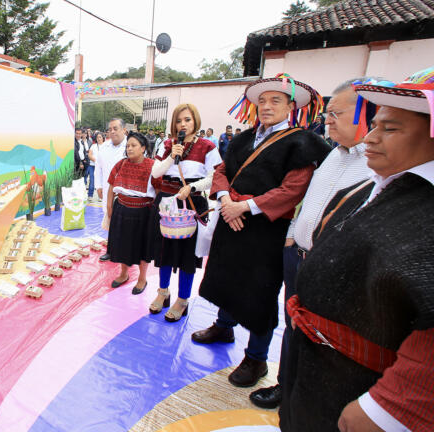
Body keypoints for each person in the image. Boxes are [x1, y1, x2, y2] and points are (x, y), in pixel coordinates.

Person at [279, 67, 434, 432]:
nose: (373, 137)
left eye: (390, 129)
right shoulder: (375, 186)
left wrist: (387, 407)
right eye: (375, 124)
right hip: (320, 370)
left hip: (359, 386)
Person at [193, 74, 331, 389]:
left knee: (260, 291)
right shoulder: (242, 139)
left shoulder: (302, 142)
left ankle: (256, 357)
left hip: (266, 231)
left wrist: (245, 207)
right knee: (226, 277)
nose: (266, 107)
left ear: (291, 106)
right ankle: (223, 326)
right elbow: (221, 172)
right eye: (263, 101)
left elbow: (293, 189)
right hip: (231, 221)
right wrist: (226, 200)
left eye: (276, 101)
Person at [249, 78, 374, 409]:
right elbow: (308, 198)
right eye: (328, 112)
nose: (327, 119)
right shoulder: (333, 155)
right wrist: (293, 233)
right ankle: (285, 385)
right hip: (298, 256)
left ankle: (309, 399)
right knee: (294, 325)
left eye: (336, 113)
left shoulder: (376, 164)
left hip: (330, 267)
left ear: (365, 113)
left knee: (323, 338)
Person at [147, 104, 222, 322]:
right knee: (164, 251)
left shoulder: (207, 146)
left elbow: (216, 176)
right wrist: (172, 155)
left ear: (195, 122)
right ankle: (163, 292)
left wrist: (194, 187)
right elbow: (156, 172)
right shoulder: (168, 144)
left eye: (187, 120)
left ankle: (183, 299)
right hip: (167, 202)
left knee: (188, 255)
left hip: (191, 201)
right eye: (179, 121)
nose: (183, 124)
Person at [106, 132, 156, 294]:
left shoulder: (153, 166)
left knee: (142, 247)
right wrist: (109, 208)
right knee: (122, 244)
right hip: (121, 209)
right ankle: (123, 274)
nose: (129, 148)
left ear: (143, 148)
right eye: (128, 145)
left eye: (133, 145)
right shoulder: (121, 164)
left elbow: (159, 189)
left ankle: (142, 279)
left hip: (143, 213)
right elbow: (112, 186)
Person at [95, 118, 128, 261]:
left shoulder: (131, 145)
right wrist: (99, 186)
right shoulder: (104, 147)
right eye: (110, 129)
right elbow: (98, 168)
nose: (112, 132)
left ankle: (124, 250)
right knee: (109, 218)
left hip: (126, 192)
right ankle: (110, 249)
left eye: (115, 128)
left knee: (124, 221)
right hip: (107, 188)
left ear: (124, 130)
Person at [74, 128, 93, 197]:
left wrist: (84, 160)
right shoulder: (74, 142)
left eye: (79, 133)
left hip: (83, 162)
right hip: (77, 164)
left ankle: (79, 195)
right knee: (76, 180)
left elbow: (84, 151)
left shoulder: (81, 142)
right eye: (77, 133)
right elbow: (76, 153)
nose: (78, 135)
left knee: (81, 180)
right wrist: (80, 163)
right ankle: (75, 196)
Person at [87, 132, 105, 202]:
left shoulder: (106, 146)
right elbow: (90, 155)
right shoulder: (93, 146)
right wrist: (96, 161)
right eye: (97, 137)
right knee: (92, 180)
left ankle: (101, 196)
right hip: (93, 165)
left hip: (102, 167)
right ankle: (90, 195)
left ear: (103, 138)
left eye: (100, 137)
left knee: (102, 181)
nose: (99, 139)